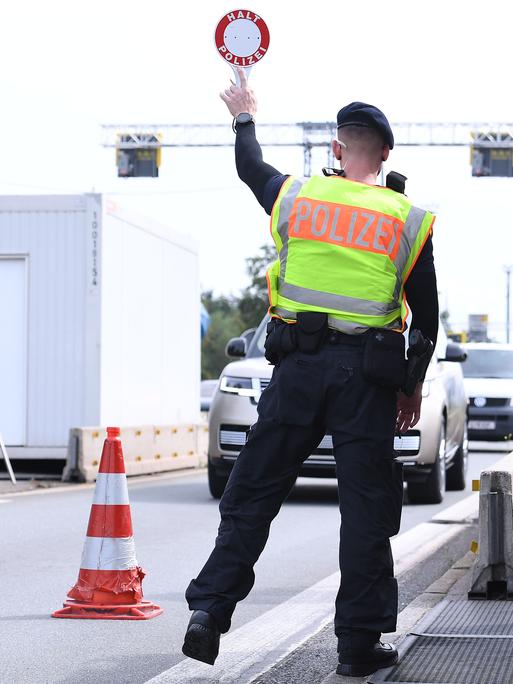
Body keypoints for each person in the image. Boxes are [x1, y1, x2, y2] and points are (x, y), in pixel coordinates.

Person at [182, 68, 439, 678]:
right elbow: (426, 317)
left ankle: (209, 613)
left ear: (337, 149)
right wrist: (411, 383)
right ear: (384, 156)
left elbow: (250, 167)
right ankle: (357, 645)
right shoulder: (407, 218)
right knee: (367, 513)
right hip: (368, 382)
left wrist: (245, 112)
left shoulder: (299, 196)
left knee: (252, 495)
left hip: (297, 370)